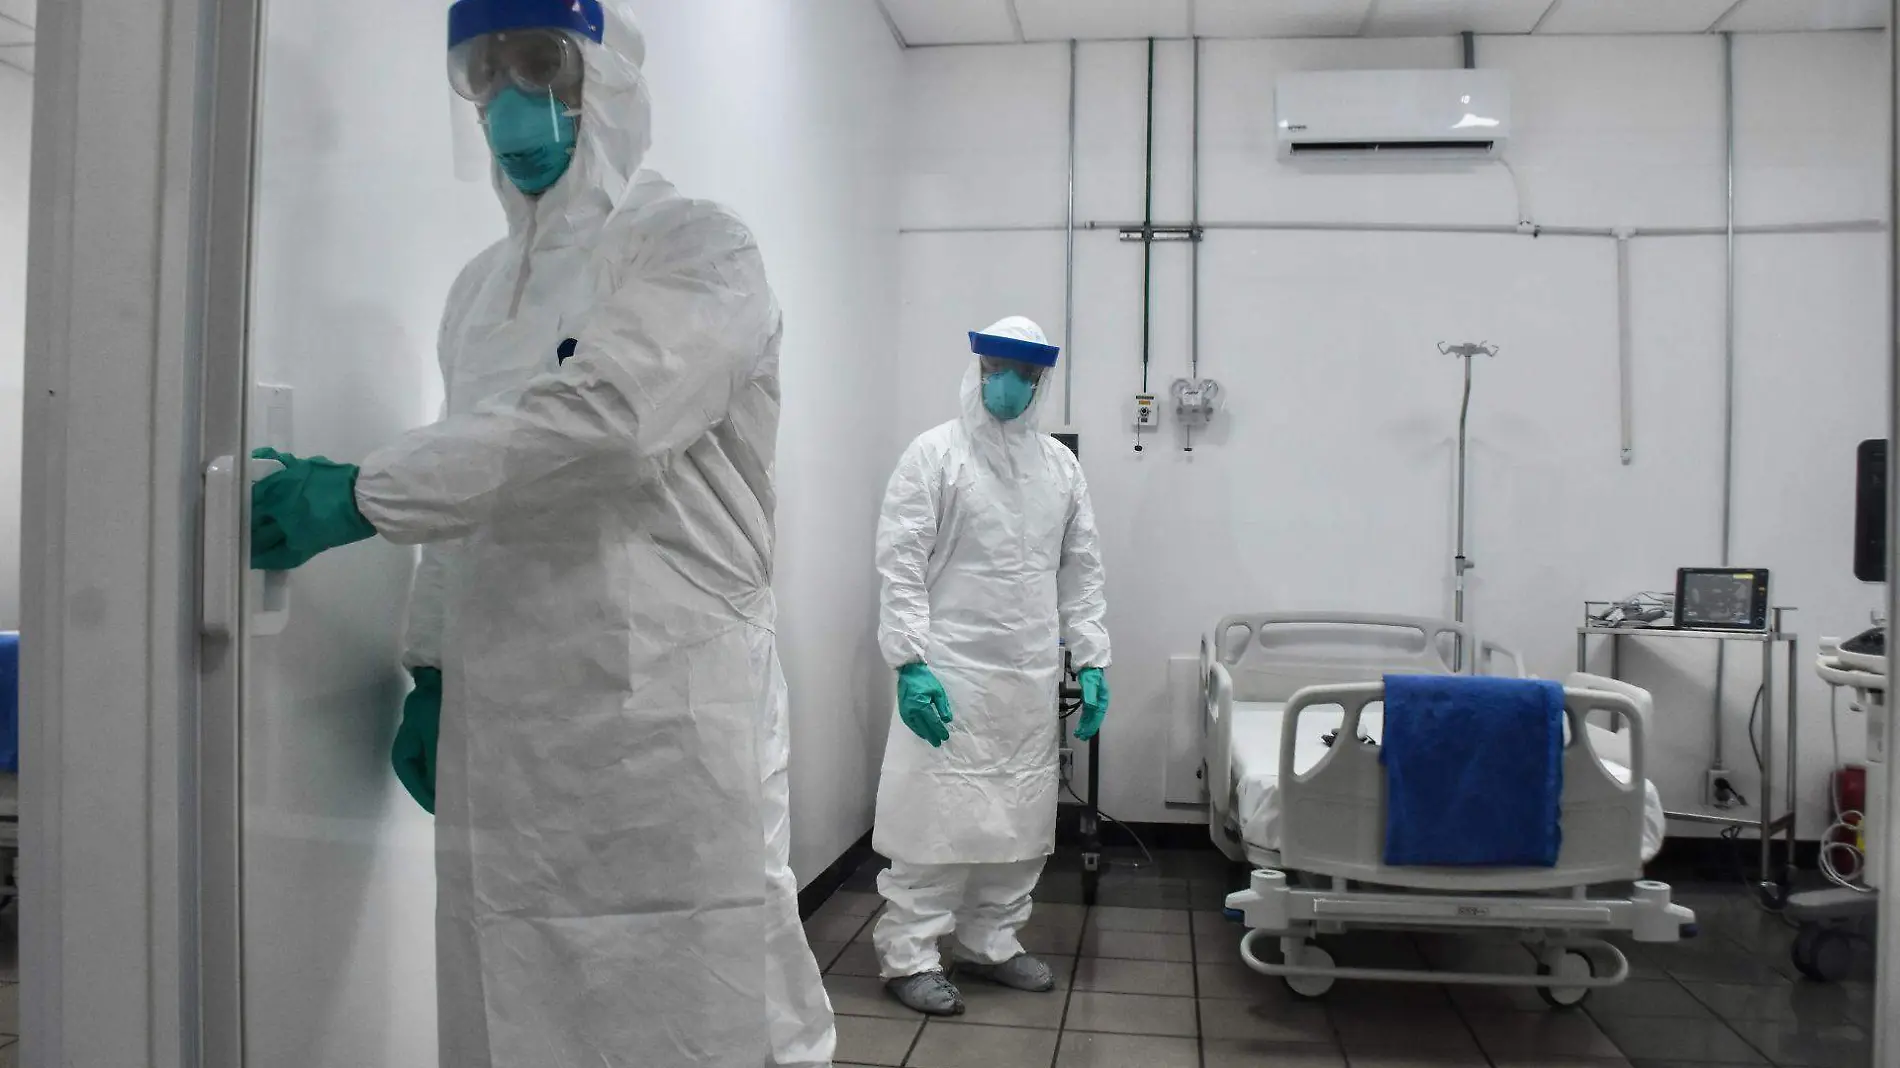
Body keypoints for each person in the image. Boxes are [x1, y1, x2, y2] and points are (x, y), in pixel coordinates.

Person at [246, 2, 836, 1064]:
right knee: (509, 974)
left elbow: (609, 422)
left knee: (681, 985)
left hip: (662, 712)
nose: (511, 104)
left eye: (539, 66)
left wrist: (361, 494)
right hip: (507, 717)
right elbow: (471, 477)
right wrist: (431, 663)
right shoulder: (480, 290)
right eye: (484, 75)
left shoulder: (695, 247)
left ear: (608, 82)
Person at [869, 316, 1111, 1016]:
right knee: (934, 821)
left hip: (1026, 679)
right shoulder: (934, 456)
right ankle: (910, 956)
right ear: (977, 370)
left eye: (1024, 373)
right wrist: (909, 663)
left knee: (1019, 822)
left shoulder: (1059, 469)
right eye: (996, 368)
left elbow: (1082, 572)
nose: (1008, 384)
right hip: (949, 673)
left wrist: (1092, 657)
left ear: (1041, 382)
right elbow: (901, 565)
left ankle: (990, 943)